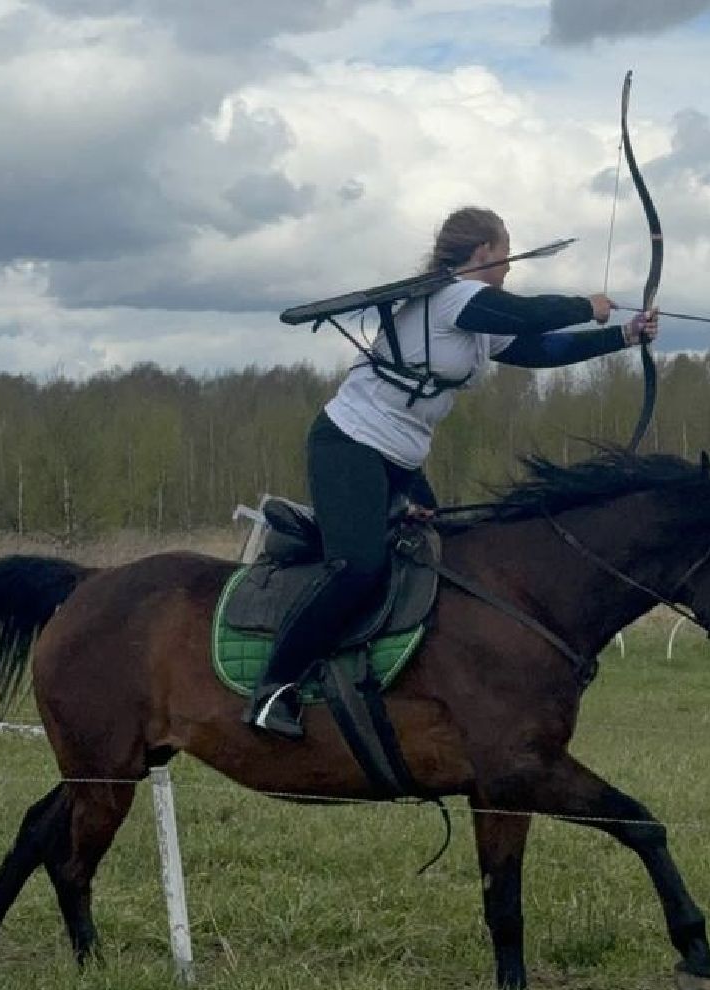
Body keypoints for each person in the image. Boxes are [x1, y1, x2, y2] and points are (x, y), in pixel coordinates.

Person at [244, 206, 659, 738]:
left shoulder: (475, 319)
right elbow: (528, 316)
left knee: (439, 558)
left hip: (401, 460)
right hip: (350, 445)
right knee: (358, 567)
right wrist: (587, 305)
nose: (509, 267)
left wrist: (623, 336)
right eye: (504, 255)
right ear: (484, 252)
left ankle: (395, 678)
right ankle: (272, 687)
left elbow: (539, 349)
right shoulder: (453, 298)